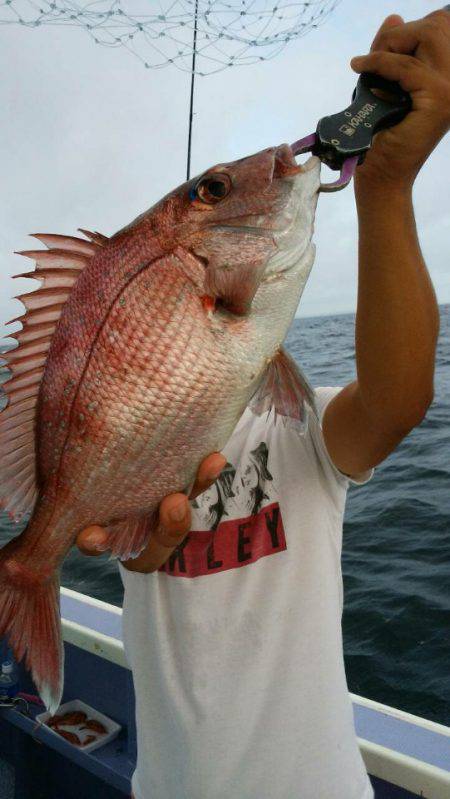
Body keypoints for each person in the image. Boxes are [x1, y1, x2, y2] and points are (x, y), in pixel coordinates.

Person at [76, 10, 450, 799]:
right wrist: (136, 543)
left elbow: (398, 400)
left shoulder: (303, 428)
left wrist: (386, 188)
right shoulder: (129, 440)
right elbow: (131, 548)